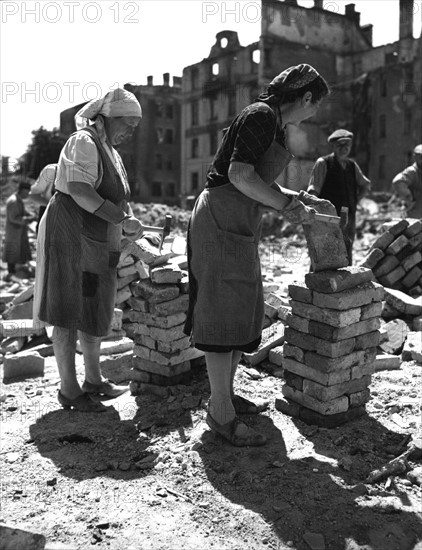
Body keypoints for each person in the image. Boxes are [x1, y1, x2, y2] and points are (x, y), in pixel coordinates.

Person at [184, 64, 330, 447]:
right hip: (221, 218)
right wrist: (285, 205)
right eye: (315, 106)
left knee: (240, 306)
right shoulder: (261, 115)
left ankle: (225, 397)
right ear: (306, 97)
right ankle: (220, 415)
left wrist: (293, 197)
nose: (314, 115)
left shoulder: (273, 123)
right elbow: (240, 175)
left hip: (239, 220)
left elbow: (259, 179)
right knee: (220, 309)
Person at [33, 88, 146, 413]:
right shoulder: (83, 142)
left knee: (93, 306)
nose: (131, 131)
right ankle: (69, 389)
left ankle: (94, 379)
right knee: (67, 309)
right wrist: (120, 219)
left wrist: (131, 220)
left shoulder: (112, 152)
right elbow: (81, 191)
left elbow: (119, 198)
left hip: (96, 242)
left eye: (135, 126)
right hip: (70, 234)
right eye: (128, 123)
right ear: (108, 118)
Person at [307, 129, 371, 264]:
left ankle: (345, 281)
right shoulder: (323, 163)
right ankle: (319, 282)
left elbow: (365, 185)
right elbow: (313, 191)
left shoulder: (352, 165)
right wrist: (314, 213)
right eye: (340, 145)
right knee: (325, 250)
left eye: (347, 145)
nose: (344, 148)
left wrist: (355, 201)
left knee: (346, 249)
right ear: (333, 146)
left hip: (348, 217)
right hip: (328, 217)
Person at [2, 181, 33, 281]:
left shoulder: (18, 200)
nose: (28, 194)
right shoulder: (14, 201)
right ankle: (11, 275)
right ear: (23, 190)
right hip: (14, 232)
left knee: (16, 252)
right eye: (27, 192)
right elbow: (13, 217)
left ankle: (15, 274)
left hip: (17, 232)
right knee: (12, 253)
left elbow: (21, 211)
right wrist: (27, 219)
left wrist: (30, 215)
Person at [392, 144, 422, 219]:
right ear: (416, 157)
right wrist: (409, 198)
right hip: (415, 217)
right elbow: (398, 182)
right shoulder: (413, 171)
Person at [29, 164, 57, 234]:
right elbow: (33, 195)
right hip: (48, 216)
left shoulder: (83, 173)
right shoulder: (52, 170)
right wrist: (51, 205)